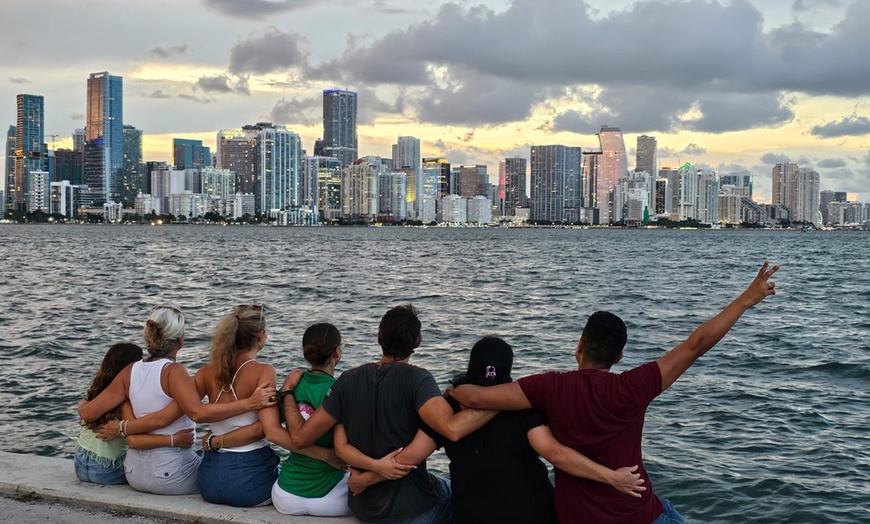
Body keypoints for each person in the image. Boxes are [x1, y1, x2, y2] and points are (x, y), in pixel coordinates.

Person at [450, 262, 780, 524]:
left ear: (578, 346)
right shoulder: (633, 386)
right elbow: (696, 345)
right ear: (619, 357)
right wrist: (746, 299)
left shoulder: (549, 387)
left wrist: (455, 389)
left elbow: (476, 398)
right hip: (635, 513)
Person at [337, 336, 647, 524]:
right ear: (508, 373)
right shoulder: (524, 410)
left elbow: (407, 459)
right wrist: (612, 477)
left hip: (472, 517)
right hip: (532, 516)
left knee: (443, 487)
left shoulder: (448, 411)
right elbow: (557, 455)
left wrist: (366, 478)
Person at [279, 304, 497, 524]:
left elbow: (302, 437)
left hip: (363, 506)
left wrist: (288, 392)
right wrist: (503, 397)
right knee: (458, 493)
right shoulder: (418, 380)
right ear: (418, 341)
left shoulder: (347, 380)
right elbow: (452, 428)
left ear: (379, 337)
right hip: (412, 508)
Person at [78, 305, 277, 495]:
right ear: (180, 339)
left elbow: (88, 413)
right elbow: (196, 412)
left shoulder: (129, 371)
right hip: (170, 475)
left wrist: (91, 409)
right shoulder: (174, 372)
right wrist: (250, 403)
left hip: (134, 473)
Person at [194, 304, 280, 507]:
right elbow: (262, 430)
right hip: (248, 482)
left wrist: (213, 441)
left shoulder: (207, 372)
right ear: (260, 336)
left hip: (209, 481)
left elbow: (186, 409)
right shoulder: (264, 371)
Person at [266, 323, 352, 517]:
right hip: (330, 499)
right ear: (337, 352)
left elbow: (269, 429)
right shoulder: (341, 392)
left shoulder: (292, 385)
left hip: (284, 495)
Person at [74, 343, 144, 484]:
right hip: (107, 472)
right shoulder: (125, 402)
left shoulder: (96, 392)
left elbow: (83, 406)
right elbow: (136, 440)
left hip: (80, 467)